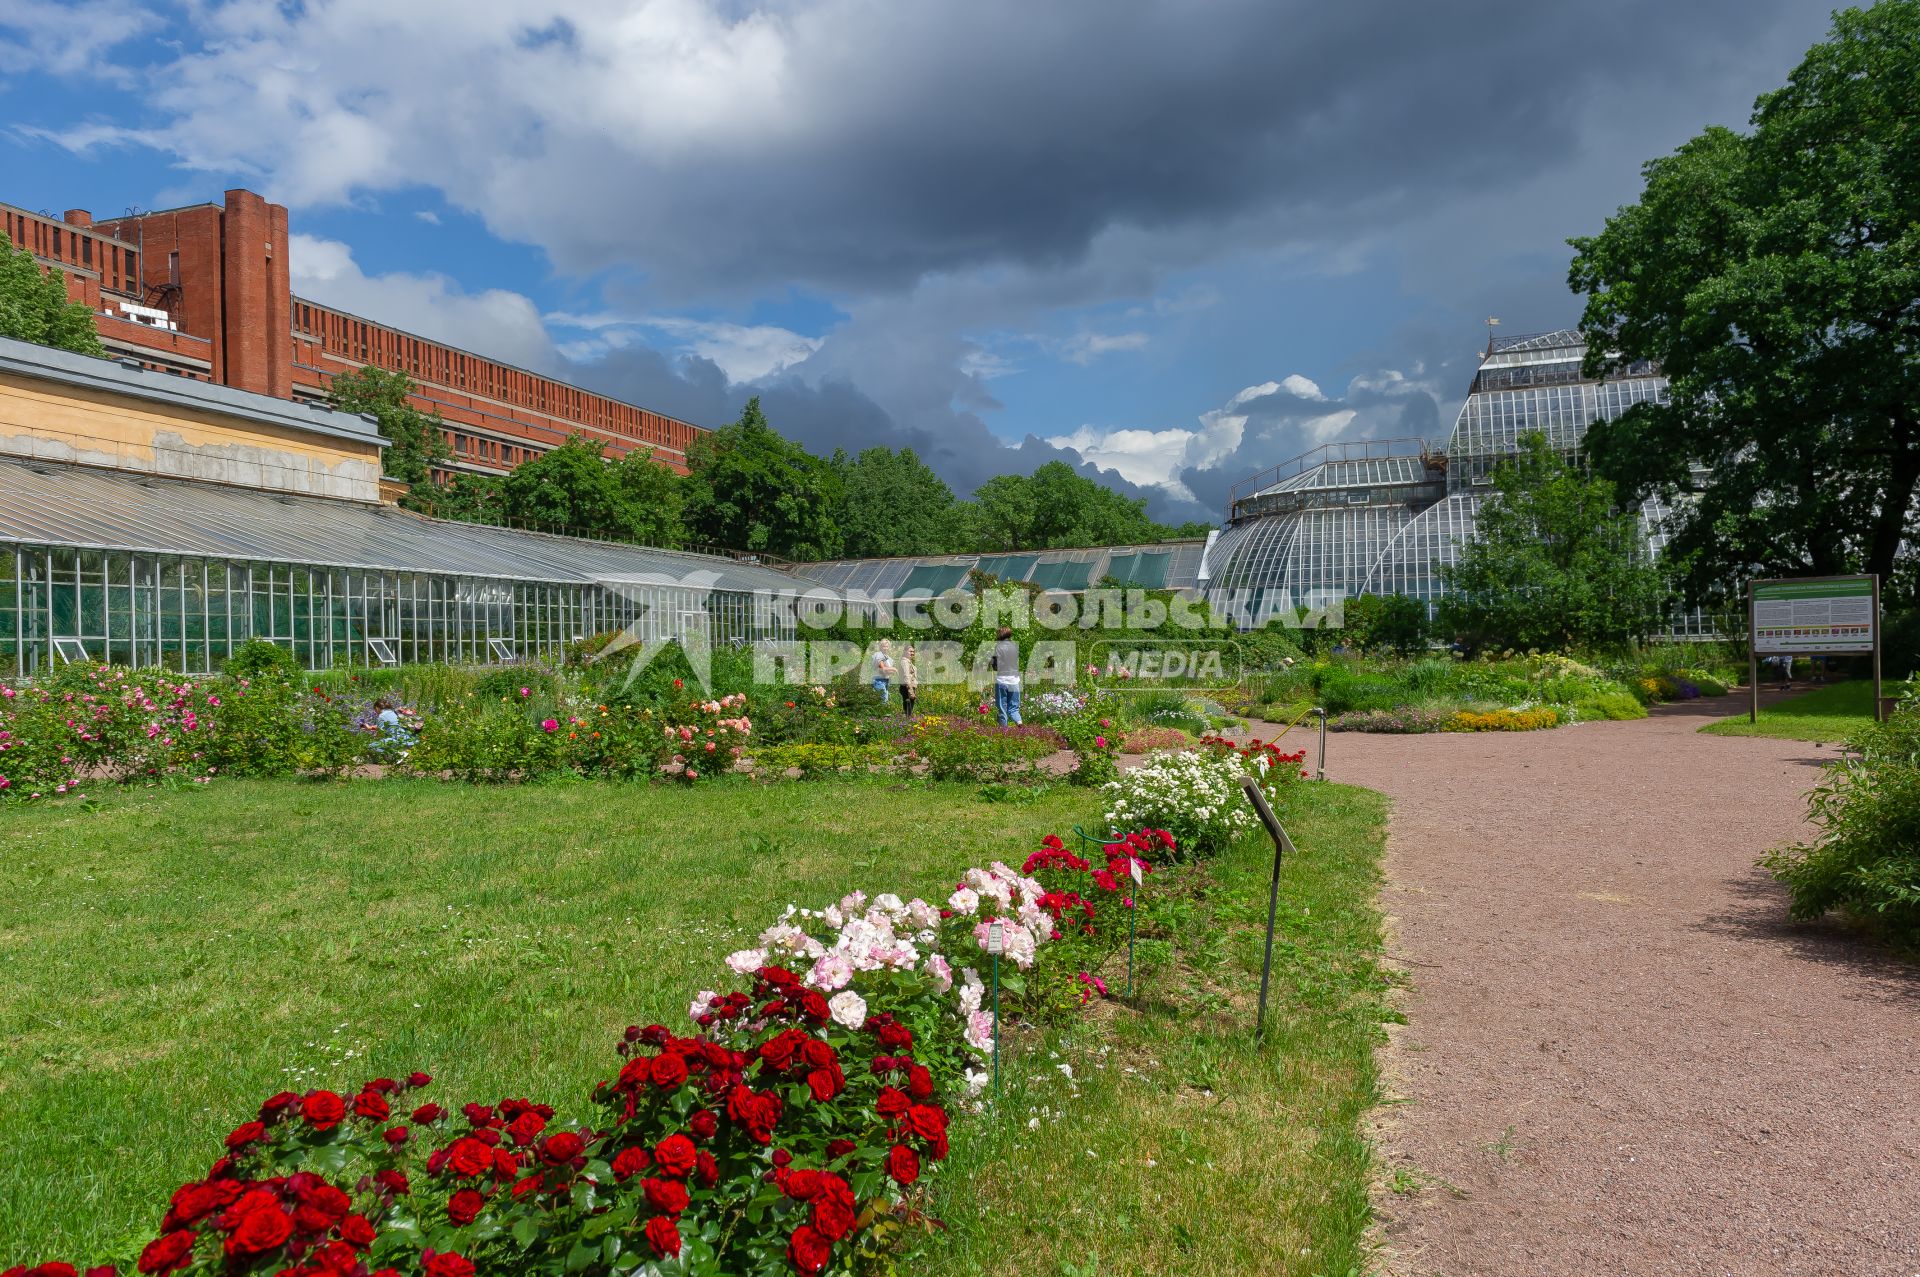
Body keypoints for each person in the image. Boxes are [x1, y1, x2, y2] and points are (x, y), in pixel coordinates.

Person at [992, 627, 1022, 725]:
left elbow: (995, 666)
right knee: (1014, 708)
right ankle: (1020, 724)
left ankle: (1003, 733)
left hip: (1002, 680)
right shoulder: (1015, 646)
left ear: (1000, 635)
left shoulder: (998, 646)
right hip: (1014, 680)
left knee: (1002, 708)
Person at [872, 638, 895, 704]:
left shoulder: (889, 658)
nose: (885, 648)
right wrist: (893, 669)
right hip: (879, 680)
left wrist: (890, 670)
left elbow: (889, 671)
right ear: (880, 647)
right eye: (883, 646)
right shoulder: (878, 654)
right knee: (883, 701)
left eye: (887, 646)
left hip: (886, 680)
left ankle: (881, 713)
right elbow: (883, 668)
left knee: (885, 700)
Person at [900, 643, 919, 718]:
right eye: (910, 651)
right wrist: (910, 691)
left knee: (908, 709)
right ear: (905, 652)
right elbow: (906, 676)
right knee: (908, 710)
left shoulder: (908, 661)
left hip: (909, 686)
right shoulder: (905, 662)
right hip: (907, 687)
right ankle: (906, 724)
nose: (912, 653)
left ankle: (906, 723)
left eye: (913, 651)